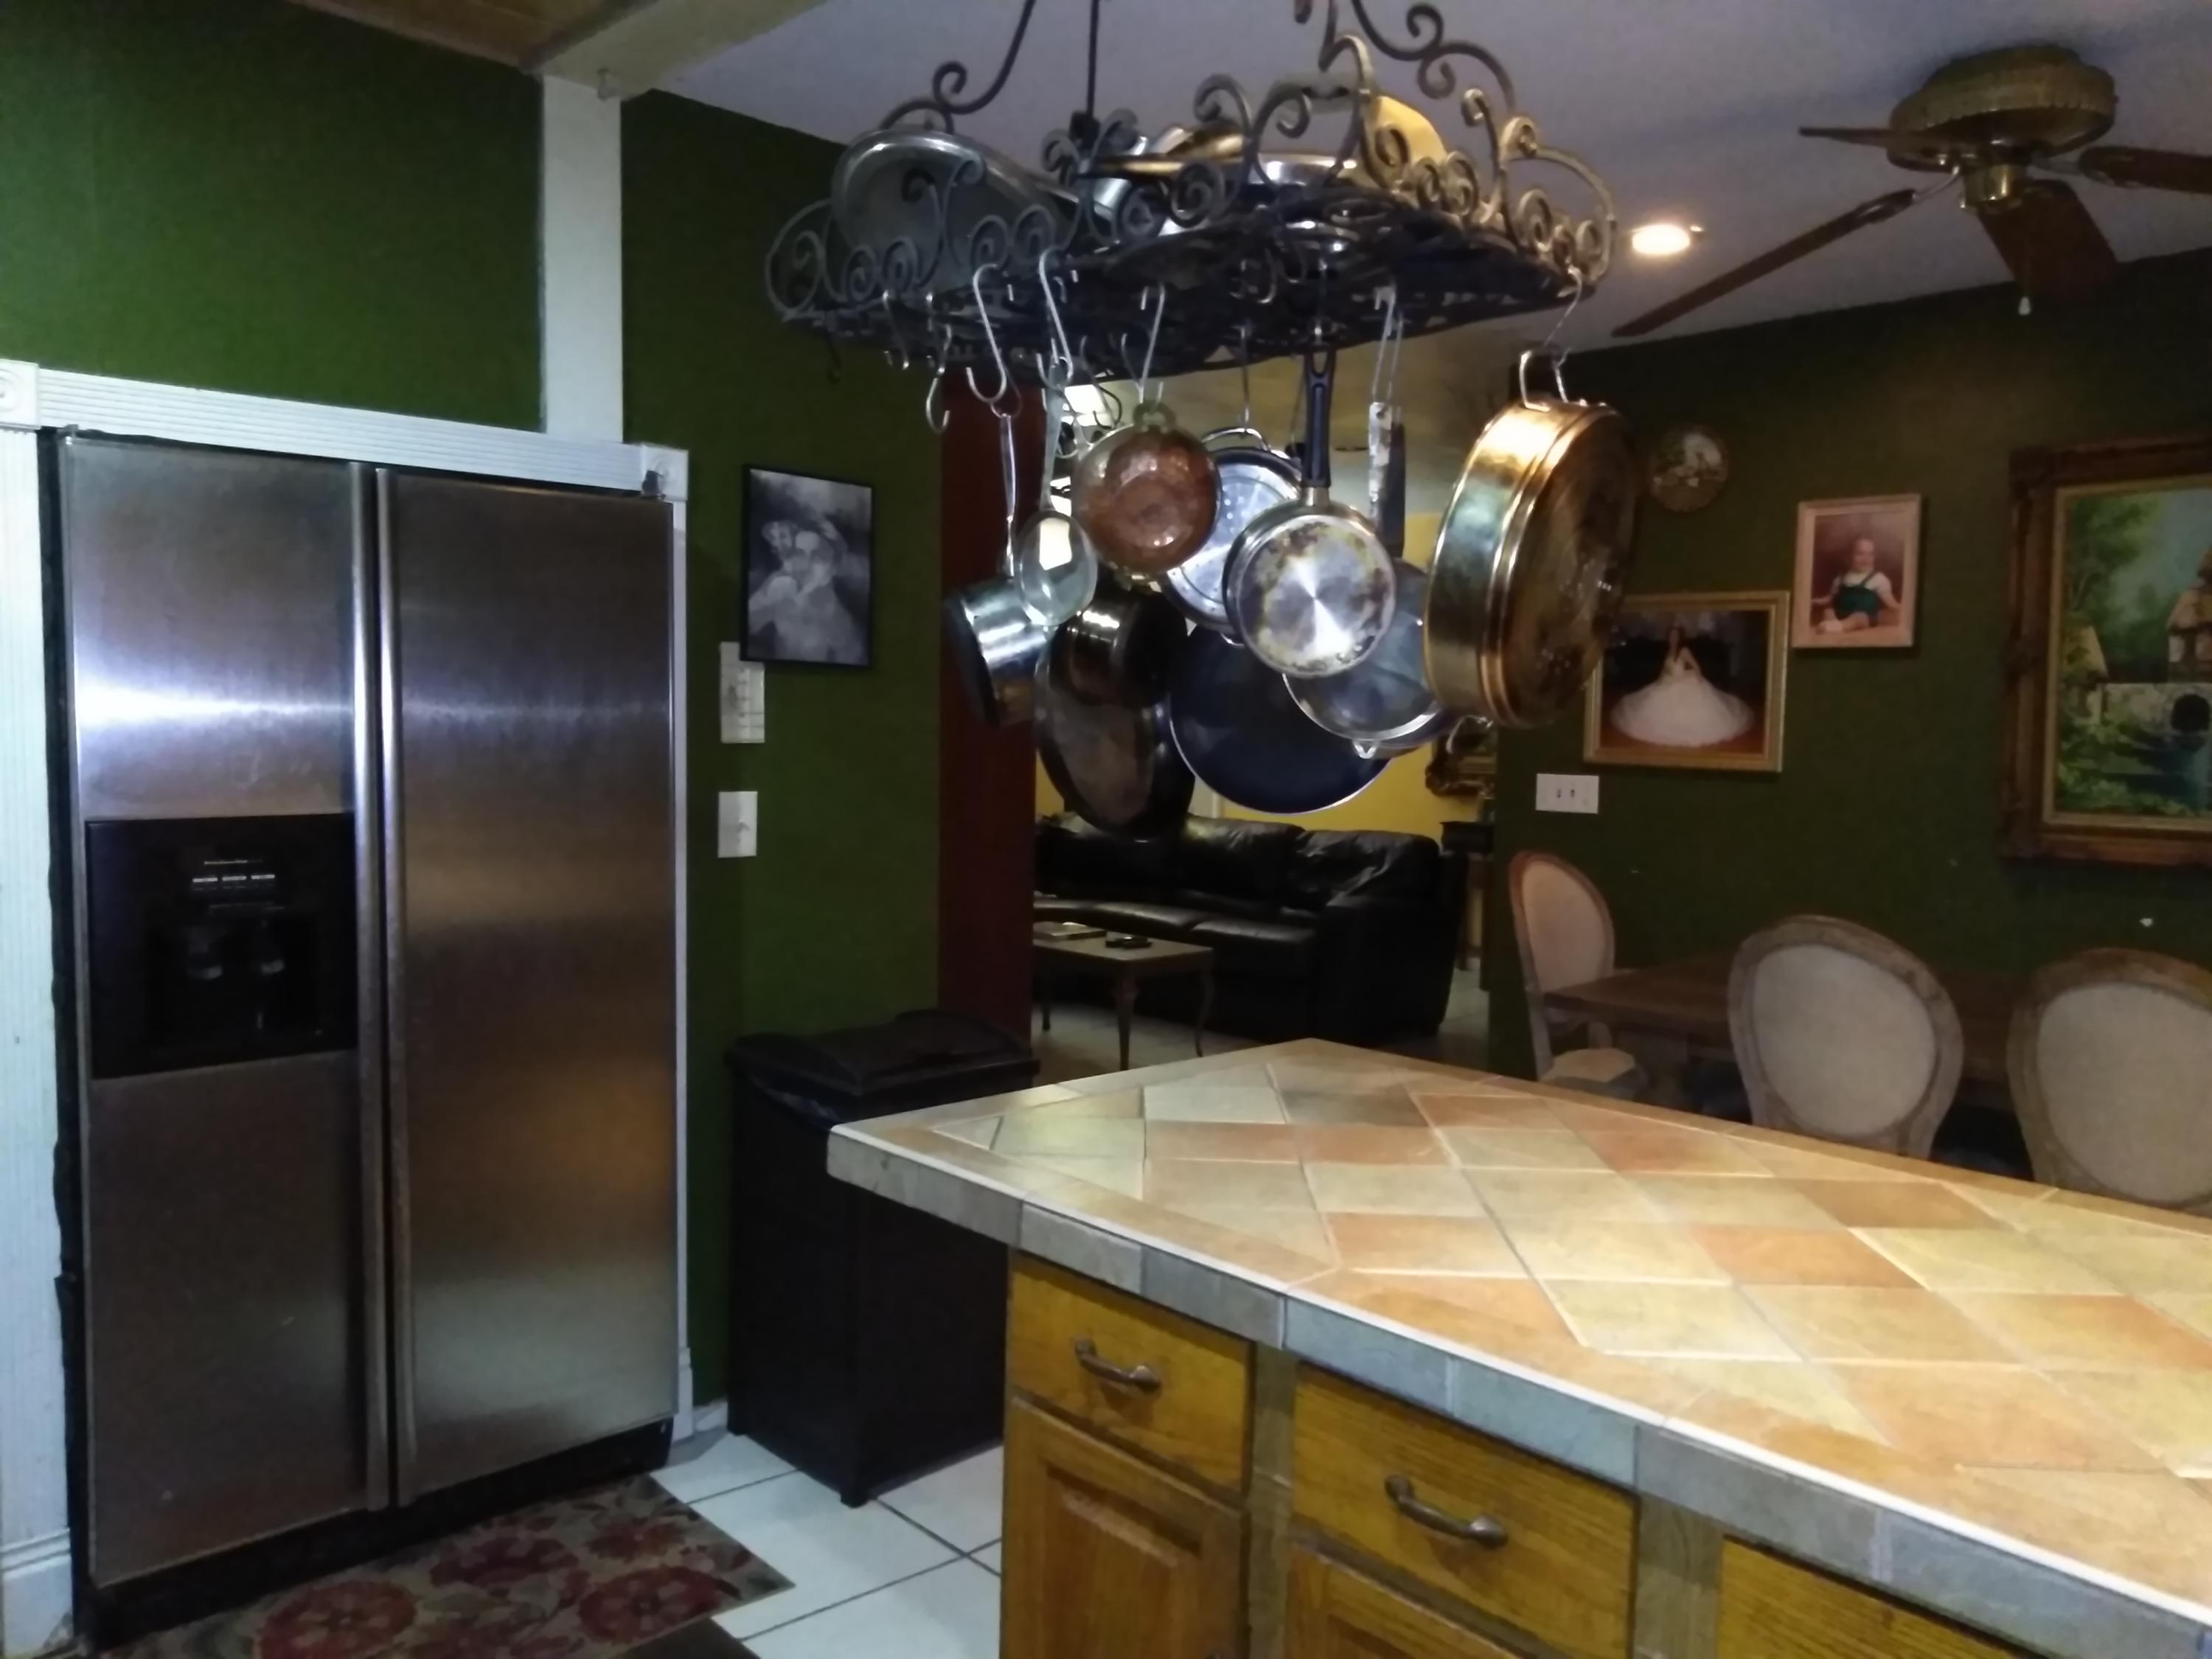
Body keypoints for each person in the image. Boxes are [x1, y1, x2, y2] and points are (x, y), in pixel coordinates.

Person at [1610, 624, 1754, 747]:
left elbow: (1697, 669)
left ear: (1680, 637)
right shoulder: (1668, 652)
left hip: (1684, 682)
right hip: (1669, 682)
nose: (1673, 638)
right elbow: (1664, 672)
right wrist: (1658, 684)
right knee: (1655, 698)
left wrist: (1685, 677)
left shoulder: (1684, 651)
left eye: (1675, 635)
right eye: (1671, 635)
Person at [1815, 537, 1901, 633]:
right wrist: (1816, 601)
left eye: (1871, 554)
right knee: (1828, 611)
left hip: (1865, 617)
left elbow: (1891, 602)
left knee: (1859, 618)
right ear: (1849, 557)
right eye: (1860, 554)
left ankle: (1838, 627)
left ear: (1875, 557)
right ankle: (1834, 624)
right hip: (1842, 613)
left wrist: (1898, 608)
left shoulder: (1878, 578)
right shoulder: (1841, 578)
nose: (1866, 558)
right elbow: (1830, 598)